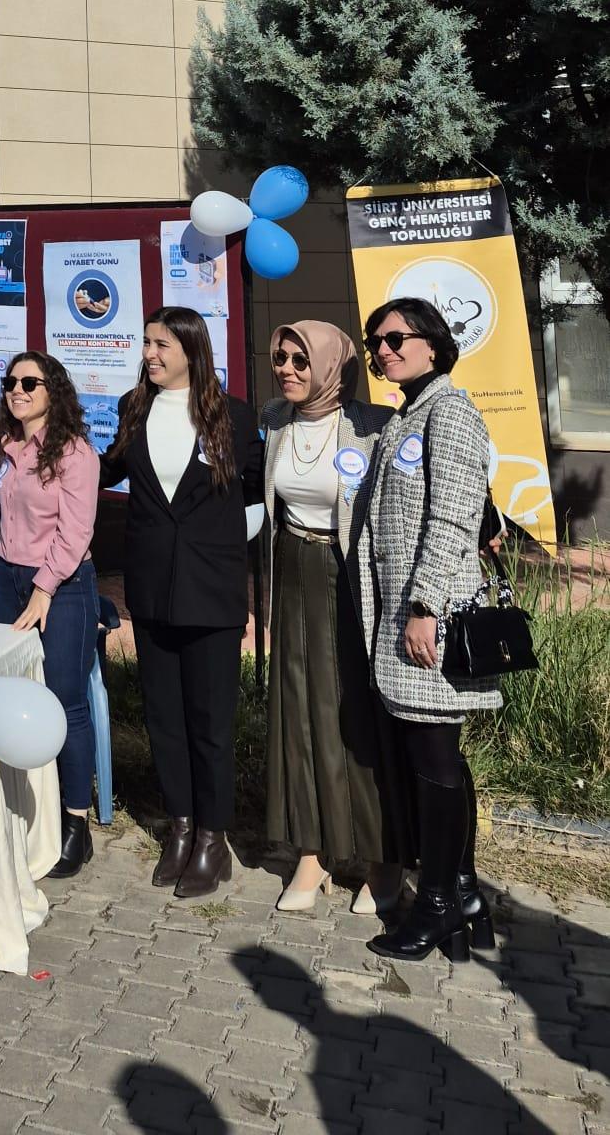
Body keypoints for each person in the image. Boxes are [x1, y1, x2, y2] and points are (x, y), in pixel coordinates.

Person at [355, 296, 500, 963]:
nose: (383, 351)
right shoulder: (407, 414)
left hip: (427, 619)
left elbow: (453, 518)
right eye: (375, 342)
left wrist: (425, 607)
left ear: (434, 345)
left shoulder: (451, 411)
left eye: (396, 339)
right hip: (403, 616)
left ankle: (437, 904)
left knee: (435, 758)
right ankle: (463, 893)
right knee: (437, 758)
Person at [108, 305, 264, 898]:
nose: (150, 354)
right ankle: (180, 827)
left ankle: (212, 838)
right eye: (147, 343)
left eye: (161, 345)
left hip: (211, 592)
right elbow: (109, 467)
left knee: (210, 723)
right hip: (151, 588)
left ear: (192, 351)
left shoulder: (233, 416)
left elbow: (257, 489)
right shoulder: (133, 408)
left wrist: (222, 545)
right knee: (164, 718)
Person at [263, 321, 400, 916]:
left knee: (354, 715)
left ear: (331, 367)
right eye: (280, 357)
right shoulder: (274, 420)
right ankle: (313, 851)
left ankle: (382, 858)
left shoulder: (373, 427)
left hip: (352, 580)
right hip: (293, 571)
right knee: (298, 711)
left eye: (301, 360)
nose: (287, 369)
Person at [0, 351, 100, 878]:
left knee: (64, 700)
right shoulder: (7, 447)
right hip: (7, 577)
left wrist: (44, 588)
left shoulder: (76, 453)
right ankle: (23, 812)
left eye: (30, 383)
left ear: (53, 390)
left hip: (63, 585)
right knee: (11, 694)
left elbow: (75, 532)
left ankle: (76, 823)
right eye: (10, 382)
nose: (18, 390)